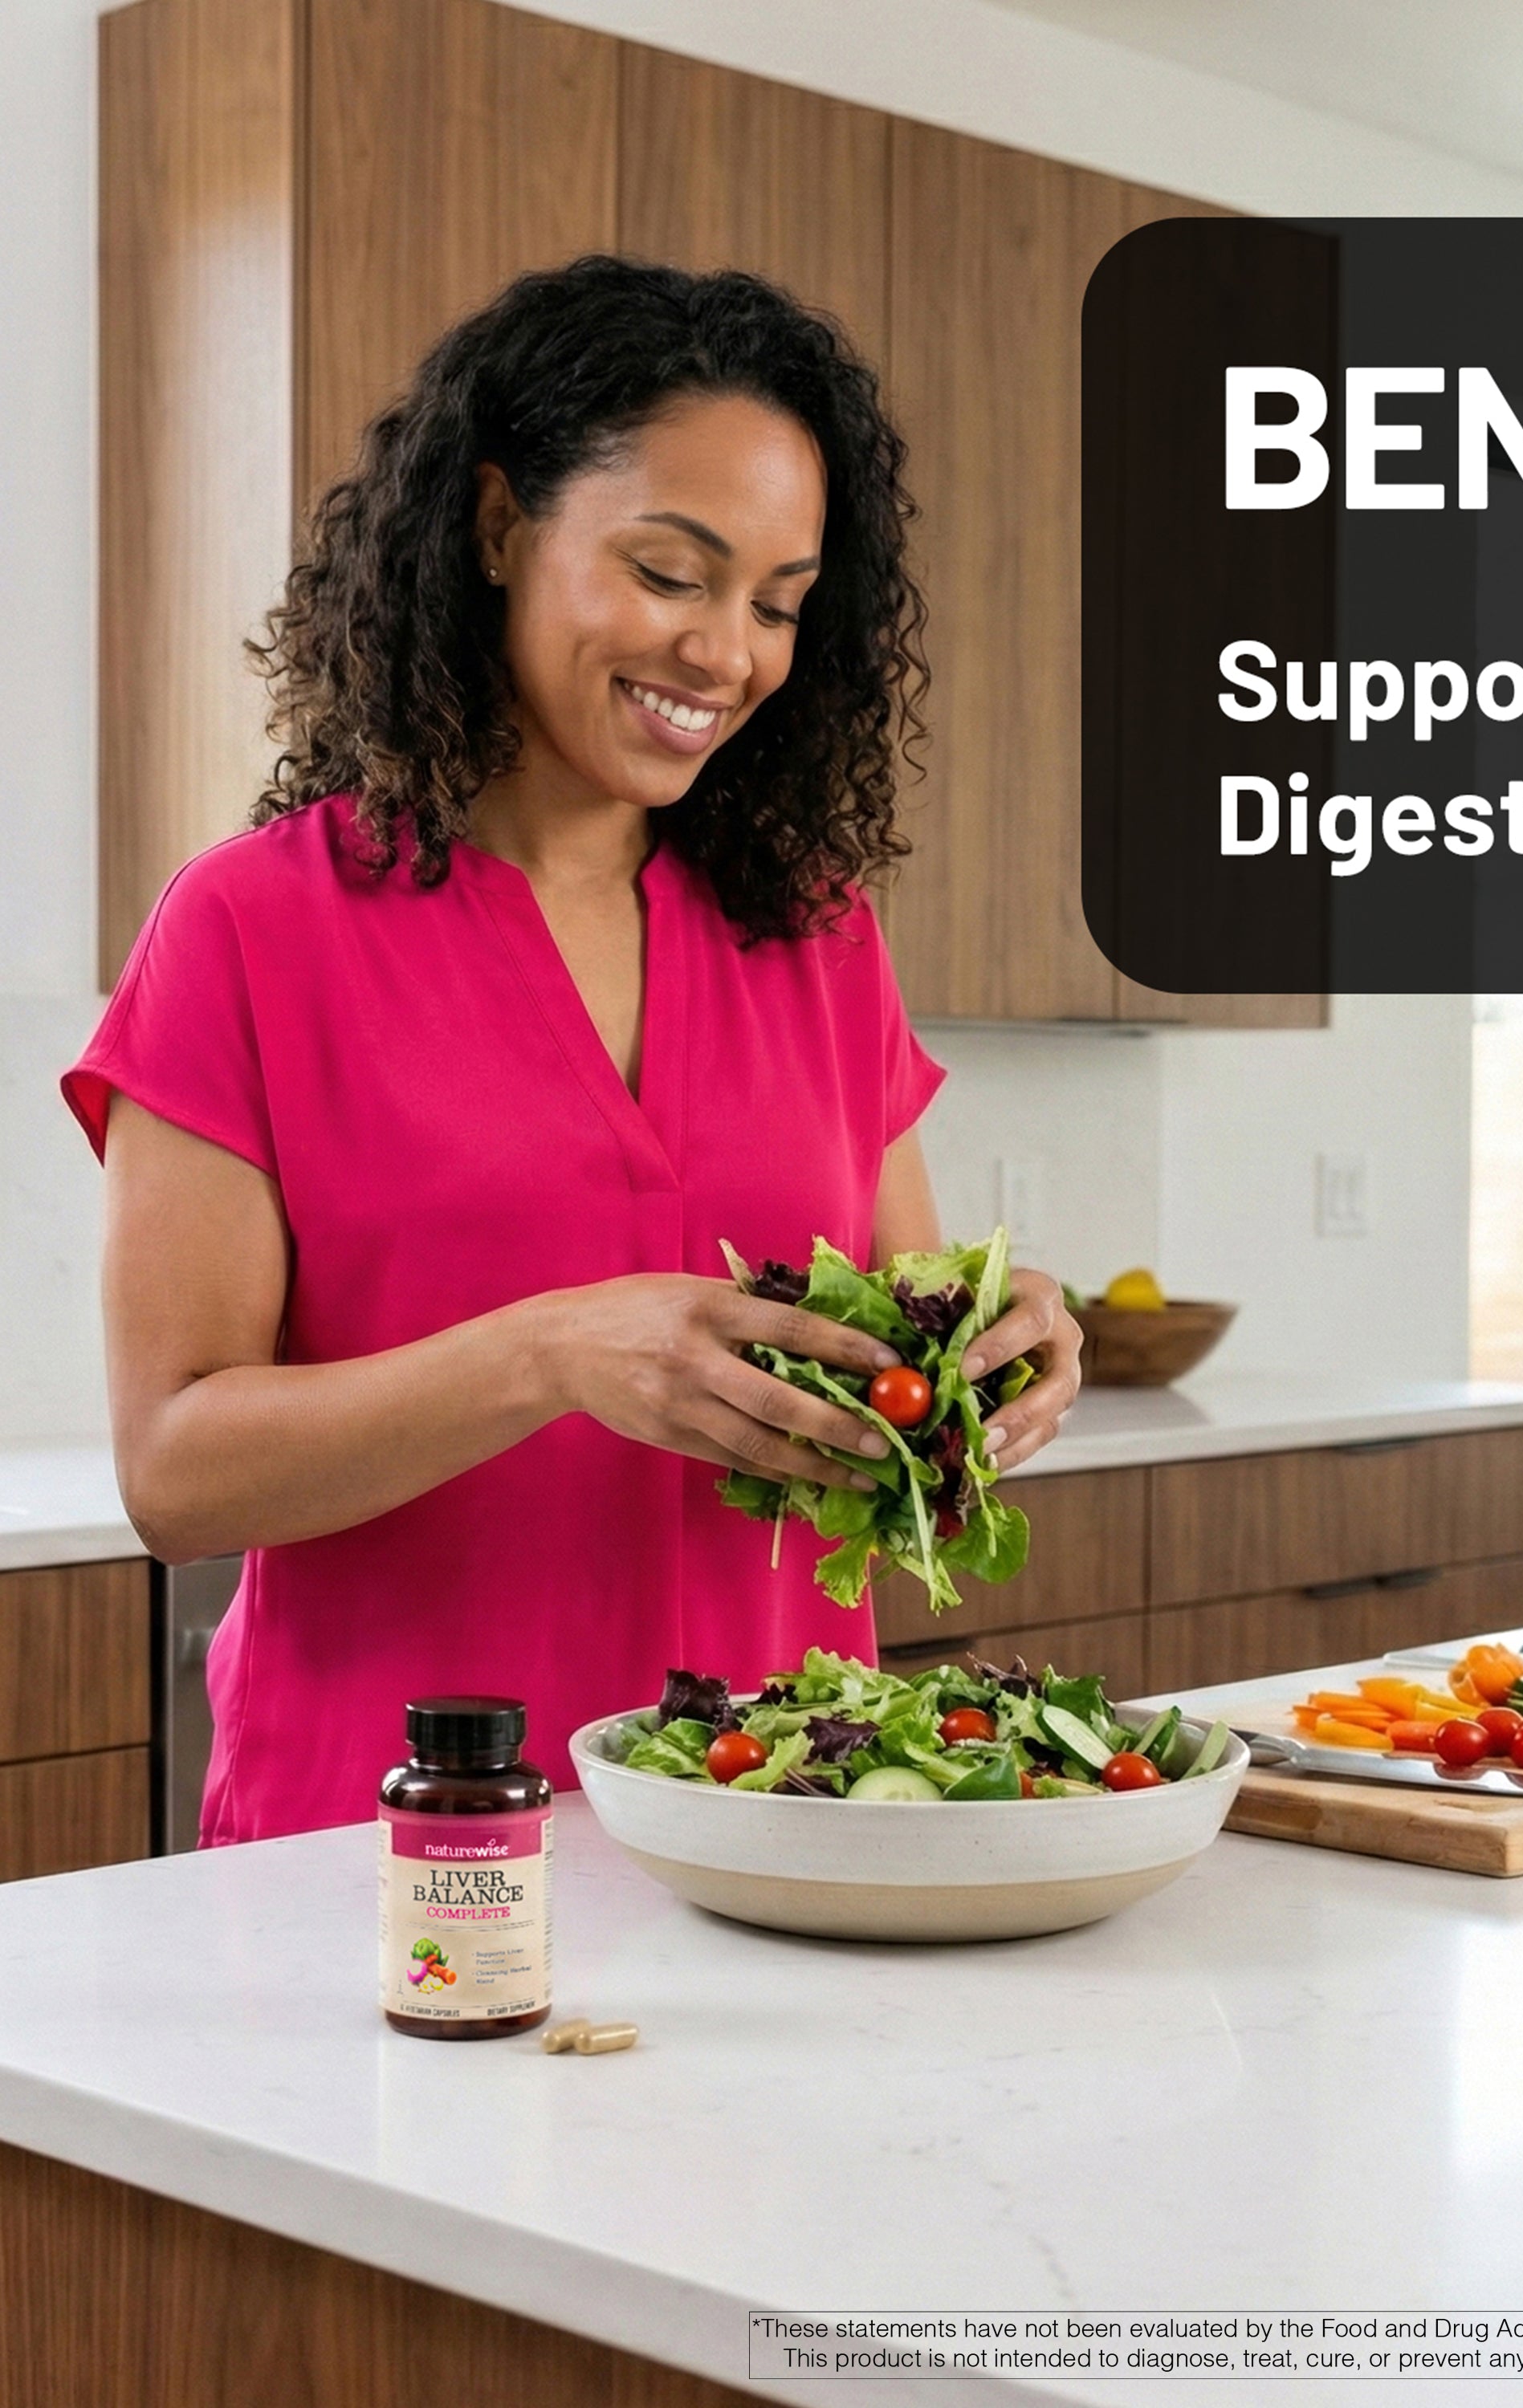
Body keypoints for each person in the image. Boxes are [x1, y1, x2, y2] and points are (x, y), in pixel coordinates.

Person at [62, 256, 1081, 1843]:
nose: (726, 654)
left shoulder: (816, 936)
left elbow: (886, 1380)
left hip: (780, 1819)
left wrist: (978, 1373)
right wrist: (549, 1353)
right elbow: (179, 1472)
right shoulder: (252, 930)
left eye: (780, 606)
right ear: (494, 530)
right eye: (672, 572)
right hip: (397, 1842)